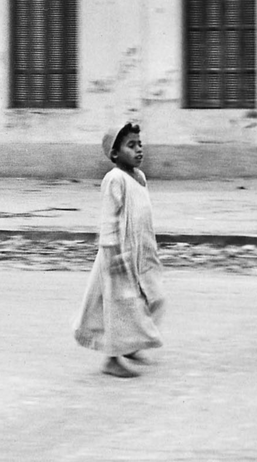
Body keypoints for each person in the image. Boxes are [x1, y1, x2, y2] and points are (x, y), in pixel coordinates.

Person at [72, 123, 166, 378]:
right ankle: (112, 359)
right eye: (131, 146)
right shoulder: (114, 179)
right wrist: (112, 252)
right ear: (115, 154)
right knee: (119, 306)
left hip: (141, 252)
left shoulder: (140, 177)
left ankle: (131, 344)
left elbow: (143, 217)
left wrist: (150, 249)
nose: (138, 150)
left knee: (154, 297)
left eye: (140, 144)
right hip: (118, 254)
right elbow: (109, 220)